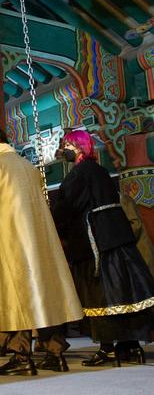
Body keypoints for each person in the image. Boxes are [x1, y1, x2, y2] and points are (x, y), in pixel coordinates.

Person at [0, 127, 83, 375]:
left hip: (12, 241)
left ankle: (21, 358)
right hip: (40, 241)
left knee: (16, 295)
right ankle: (54, 354)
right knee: (43, 293)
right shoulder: (30, 168)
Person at [52, 130, 154, 366]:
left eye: (67, 145)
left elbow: (67, 208)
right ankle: (130, 346)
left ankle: (107, 348)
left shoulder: (78, 174)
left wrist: (52, 220)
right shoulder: (101, 171)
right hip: (117, 238)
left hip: (93, 240)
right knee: (124, 291)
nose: (64, 150)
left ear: (77, 147)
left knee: (99, 293)